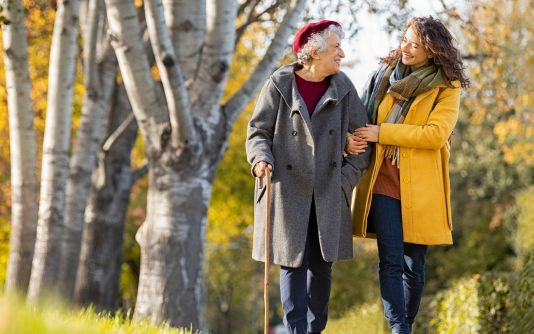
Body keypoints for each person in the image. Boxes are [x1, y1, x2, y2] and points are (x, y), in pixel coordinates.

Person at [346, 16, 470, 334]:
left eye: (415, 44)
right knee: (390, 259)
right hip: (382, 181)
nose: (406, 48)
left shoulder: (447, 88)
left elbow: (434, 134)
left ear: (432, 51)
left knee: (414, 266)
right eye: (405, 39)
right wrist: (355, 138)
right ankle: (398, 327)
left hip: (422, 188)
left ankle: (406, 326)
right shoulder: (385, 76)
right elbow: (363, 115)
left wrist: (383, 133)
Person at [246, 20, 370, 334]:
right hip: (287, 190)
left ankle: (316, 330)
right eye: (336, 47)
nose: (342, 53)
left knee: (322, 267)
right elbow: (258, 132)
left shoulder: (344, 88)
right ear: (313, 52)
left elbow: (363, 141)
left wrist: (344, 181)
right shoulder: (279, 84)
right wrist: (261, 159)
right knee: (293, 264)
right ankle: (296, 330)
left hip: (328, 191)